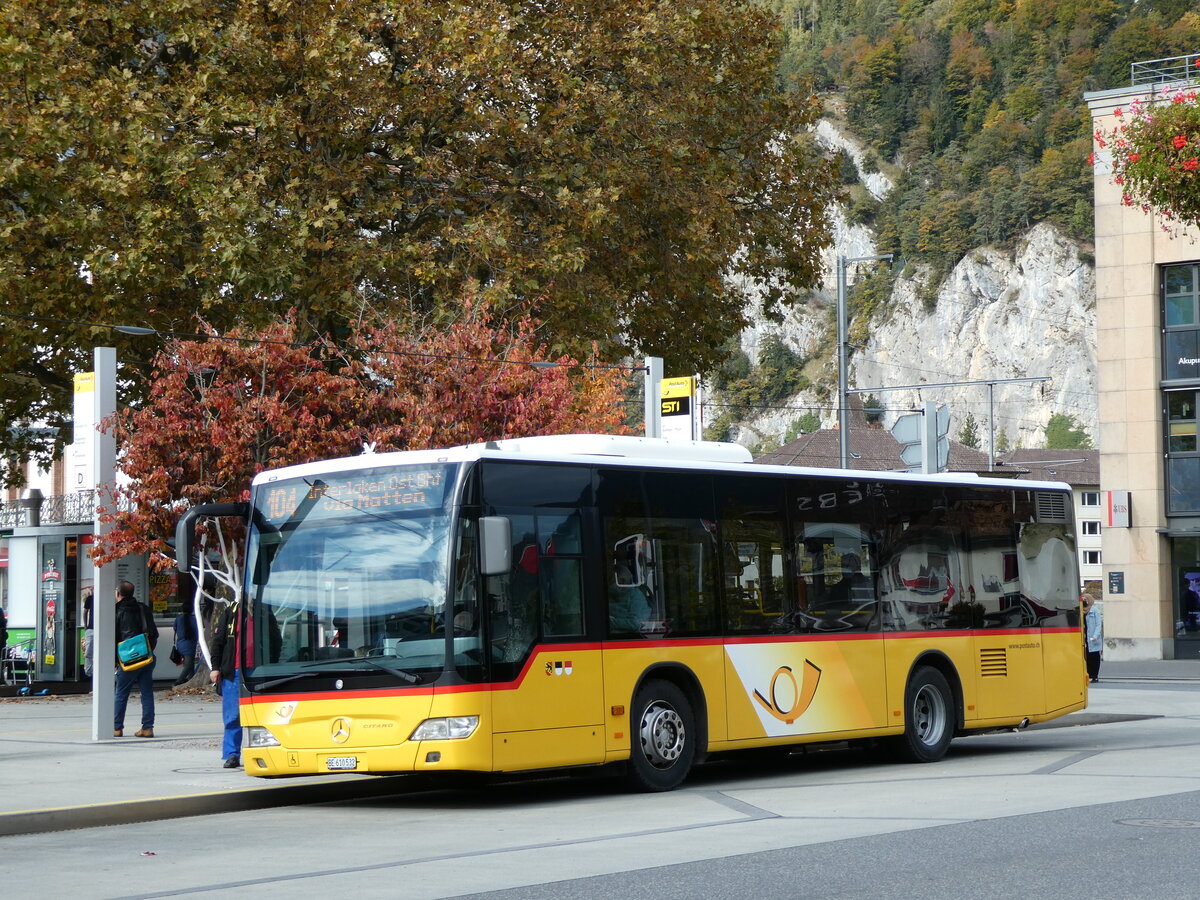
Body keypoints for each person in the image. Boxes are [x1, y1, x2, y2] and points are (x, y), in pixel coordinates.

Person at [113, 581, 156, 738]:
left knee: (121, 693)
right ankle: (147, 727)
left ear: (118, 593)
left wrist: (115, 660)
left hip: (127, 660)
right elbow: (153, 633)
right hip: (145, 657)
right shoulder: (143, 608)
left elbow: (114, 636)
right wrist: (148, 651)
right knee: (147, 693)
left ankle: (117, 728)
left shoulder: (116, 611)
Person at [209, 600, 241, 768]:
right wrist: (215, 668)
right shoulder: (231, 612)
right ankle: (232, 754)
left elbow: (275, 639)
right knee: (232, 716)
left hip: (257, 672)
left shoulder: (263, 612)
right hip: (233, 672)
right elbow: (218, 641)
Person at [172, 606, 199, 686]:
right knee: (189, 665)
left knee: (190, 665)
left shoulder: (178, 618)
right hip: (190, 645)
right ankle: (178, 682)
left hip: (180, 644)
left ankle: (191, 681)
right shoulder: (194, 619)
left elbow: (174, 628)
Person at [1082, 594, 1102, 683]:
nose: (1084, 602)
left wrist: (1095, 636)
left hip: (1093, 637)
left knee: (1094, 657)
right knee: (1086, 657)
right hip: (1085, 637)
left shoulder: (1094, 611)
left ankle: (1095, 676)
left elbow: (1098, 625)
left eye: (1086, 600)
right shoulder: (1081, 611)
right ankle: (1088, 675)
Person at [80, 590, 94, 679]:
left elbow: (85, 612)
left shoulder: (90, 598)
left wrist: (86, 627)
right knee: (88, 652)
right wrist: (86, 626)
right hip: (91, 628)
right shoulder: (90, 598)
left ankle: (89, 673)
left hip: (91, 628)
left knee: (88, 652)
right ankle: (88, 672)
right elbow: (85, 612)